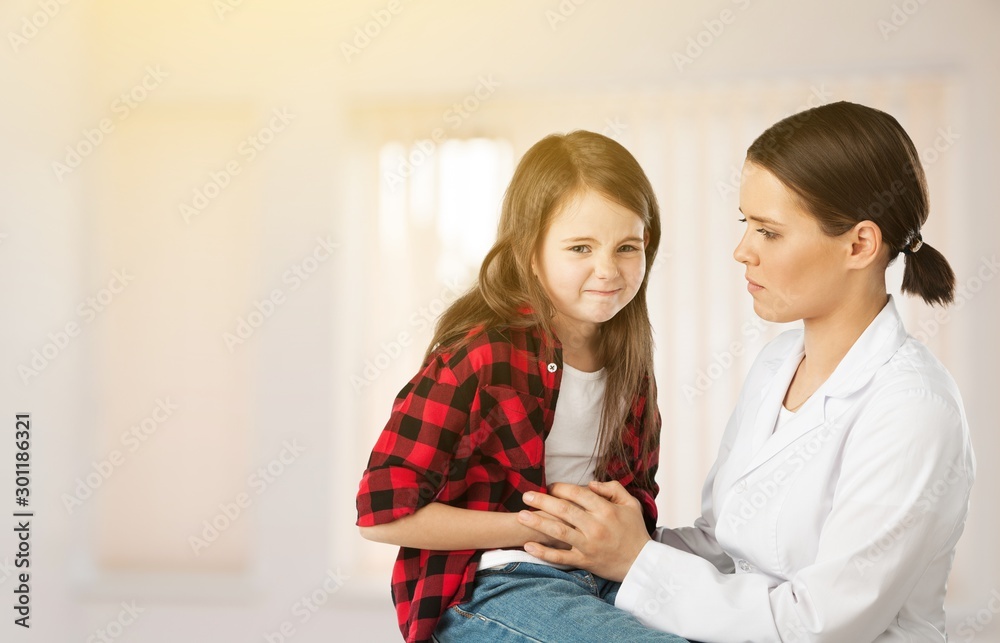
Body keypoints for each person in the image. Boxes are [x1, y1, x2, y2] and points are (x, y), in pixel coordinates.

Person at [518, 101, 976, 642]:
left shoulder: (914, 408)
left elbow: (820, 627)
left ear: (859, 244)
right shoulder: (777, 364)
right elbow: (724, 544)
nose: (742, 251)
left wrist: (638, 561)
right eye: (745, 225)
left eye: (768, 232)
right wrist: (611, 538)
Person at [356, 131, 688, 643]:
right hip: (496, 582)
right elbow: (381, 515)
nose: (608, 270)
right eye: (580, 247)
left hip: (603, 577)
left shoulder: (631, 366)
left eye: (627, 247)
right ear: (530, 252)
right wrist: (536, 527)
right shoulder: (483, 356)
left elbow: (635, 497)